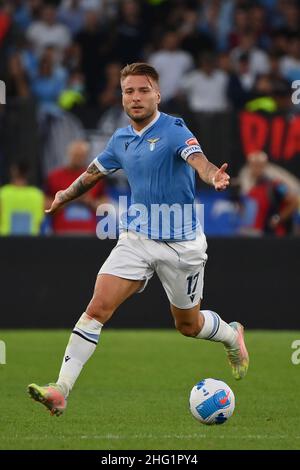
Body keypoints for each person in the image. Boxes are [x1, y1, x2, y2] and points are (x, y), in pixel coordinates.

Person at [27, 62, 249, 416]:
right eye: (129, 91)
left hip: (182, 245)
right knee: (97, 309)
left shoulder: (175, 129)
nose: (136, 97)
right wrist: (63, 196)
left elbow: (199, 160)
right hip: (138, 237)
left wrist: (212, 177)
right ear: (122, 97)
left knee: (188, 325)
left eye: (143, 90)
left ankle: (230, 334)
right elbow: (92, 173)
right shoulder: (121, 139)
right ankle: (61, 388)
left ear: (157, 95)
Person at [45, 140, 107, 235]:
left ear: (86, 156)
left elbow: (105, 207)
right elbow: (45, 206)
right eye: (76, 155)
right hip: (61, 235)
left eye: (81, 156)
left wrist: (89, 201)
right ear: (68, 155)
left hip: (89, 235)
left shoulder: (95, 177)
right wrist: (68, 199)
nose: (78, 159)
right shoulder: (54, 177)